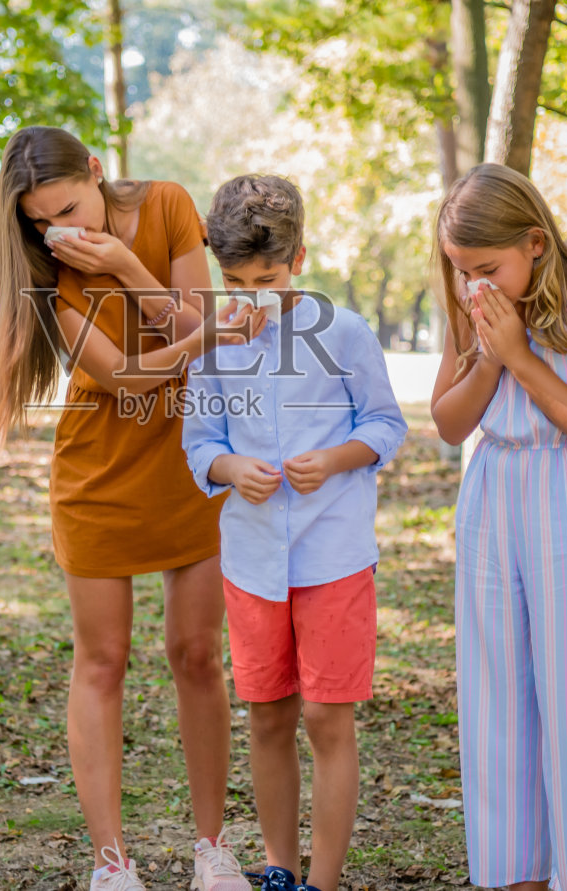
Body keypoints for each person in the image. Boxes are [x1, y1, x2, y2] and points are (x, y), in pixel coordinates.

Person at [0, 126, 257, 891]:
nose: (58, 230)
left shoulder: (167, 207)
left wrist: (128, 265)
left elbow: (205, 334)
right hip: (99, 473)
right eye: (39, 221)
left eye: (65, 207)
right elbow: (127, 379)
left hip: (192, 459)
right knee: (101, 660)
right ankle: (113, 863)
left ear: (96, 172)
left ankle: (211, 848)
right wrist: (186, 331)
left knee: (197, 654)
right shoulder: (49, 272)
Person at [181, 174, 407, 891]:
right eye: (235, 281)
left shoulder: (343, 332)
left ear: (299, 258)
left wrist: (337, 458)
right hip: (251, 562)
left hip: (332, 554)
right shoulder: (212, 347)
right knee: (270, 716)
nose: (251, 297)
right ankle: (280, 868)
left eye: (267, 279)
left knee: (324, 718)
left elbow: (386, 423)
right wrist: (229, 465)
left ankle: (324, 880)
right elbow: (198, 443)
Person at [430, 163, 567, 891]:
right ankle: (514, 875)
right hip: (491, 494)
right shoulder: (472, 308)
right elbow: (450, 422)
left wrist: (520, 354)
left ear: (537, 243)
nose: (471, 286)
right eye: (459, 271)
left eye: (485, 268)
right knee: (496, 704)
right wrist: (489, 358)